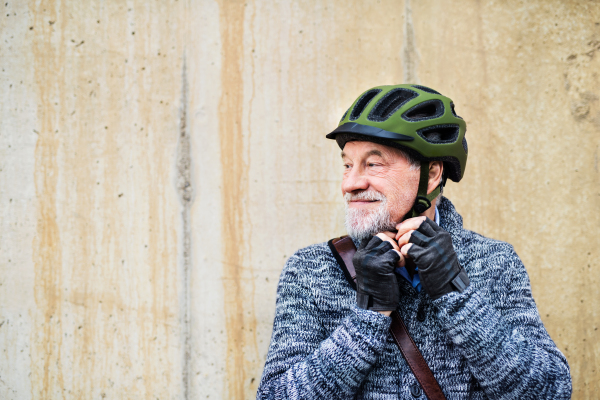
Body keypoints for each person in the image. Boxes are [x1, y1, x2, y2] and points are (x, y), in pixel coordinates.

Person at [256, 84, 571, 399]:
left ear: (431, 174)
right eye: (348, 165)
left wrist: (456, 294)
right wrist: (369, 316)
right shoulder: (312, 270)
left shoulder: (493, 261)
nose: (350, 184)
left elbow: (550, 391)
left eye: (373, 164)